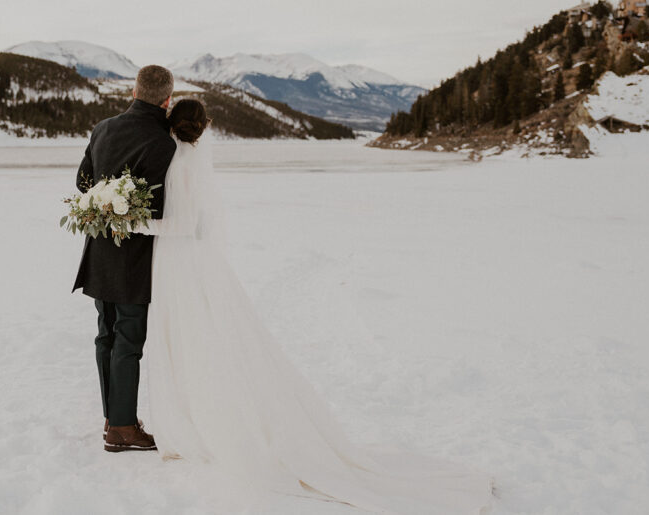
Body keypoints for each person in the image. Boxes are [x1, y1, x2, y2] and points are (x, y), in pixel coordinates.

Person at [139, 98, 494, 514]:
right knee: (199, 336)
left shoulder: (178, 161)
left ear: (171, 124)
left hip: (181, 261)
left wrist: (129, 220)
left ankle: (198, 421)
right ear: (202, 127)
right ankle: (197, 415)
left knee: (187, 336)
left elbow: (181, 223)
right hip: (189, 261)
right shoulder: (191, 156)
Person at [72, 65, 177, 452]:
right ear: (167, 99)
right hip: (134, 257)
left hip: (99, 248)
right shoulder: (164, 143)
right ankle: (121, 427)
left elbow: (83, 184)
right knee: (128, 340)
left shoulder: (103, 127)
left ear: (134, 90)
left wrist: (105, 202)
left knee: (106, 333)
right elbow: (160, 208)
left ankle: (113, 417)